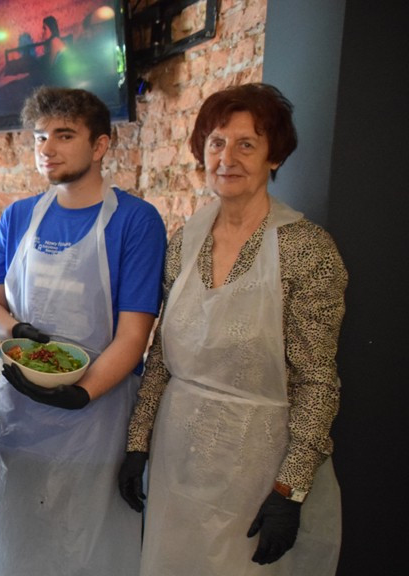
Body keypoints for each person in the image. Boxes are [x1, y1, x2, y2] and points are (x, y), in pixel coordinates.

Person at [119, 83, 345, 575]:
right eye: (217, 142)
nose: (228, 157)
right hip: (178, 459)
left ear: (274, 157)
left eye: (248, 143)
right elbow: (162, 356)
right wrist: (139, 442)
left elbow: (317, 381)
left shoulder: (306, 250)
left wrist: (291, 488)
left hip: (258, 469)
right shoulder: (184, 240)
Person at [0, 86, 167, 575]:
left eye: (64, 135)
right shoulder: (17, 216)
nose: (47, 149)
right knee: (18, 541)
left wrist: (81, 394)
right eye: (40, 136)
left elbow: (133, 335)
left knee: (87, 551)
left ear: (100, 146)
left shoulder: (136, 221)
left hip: (96, 423)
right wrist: (16, 329)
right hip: (19, 411)